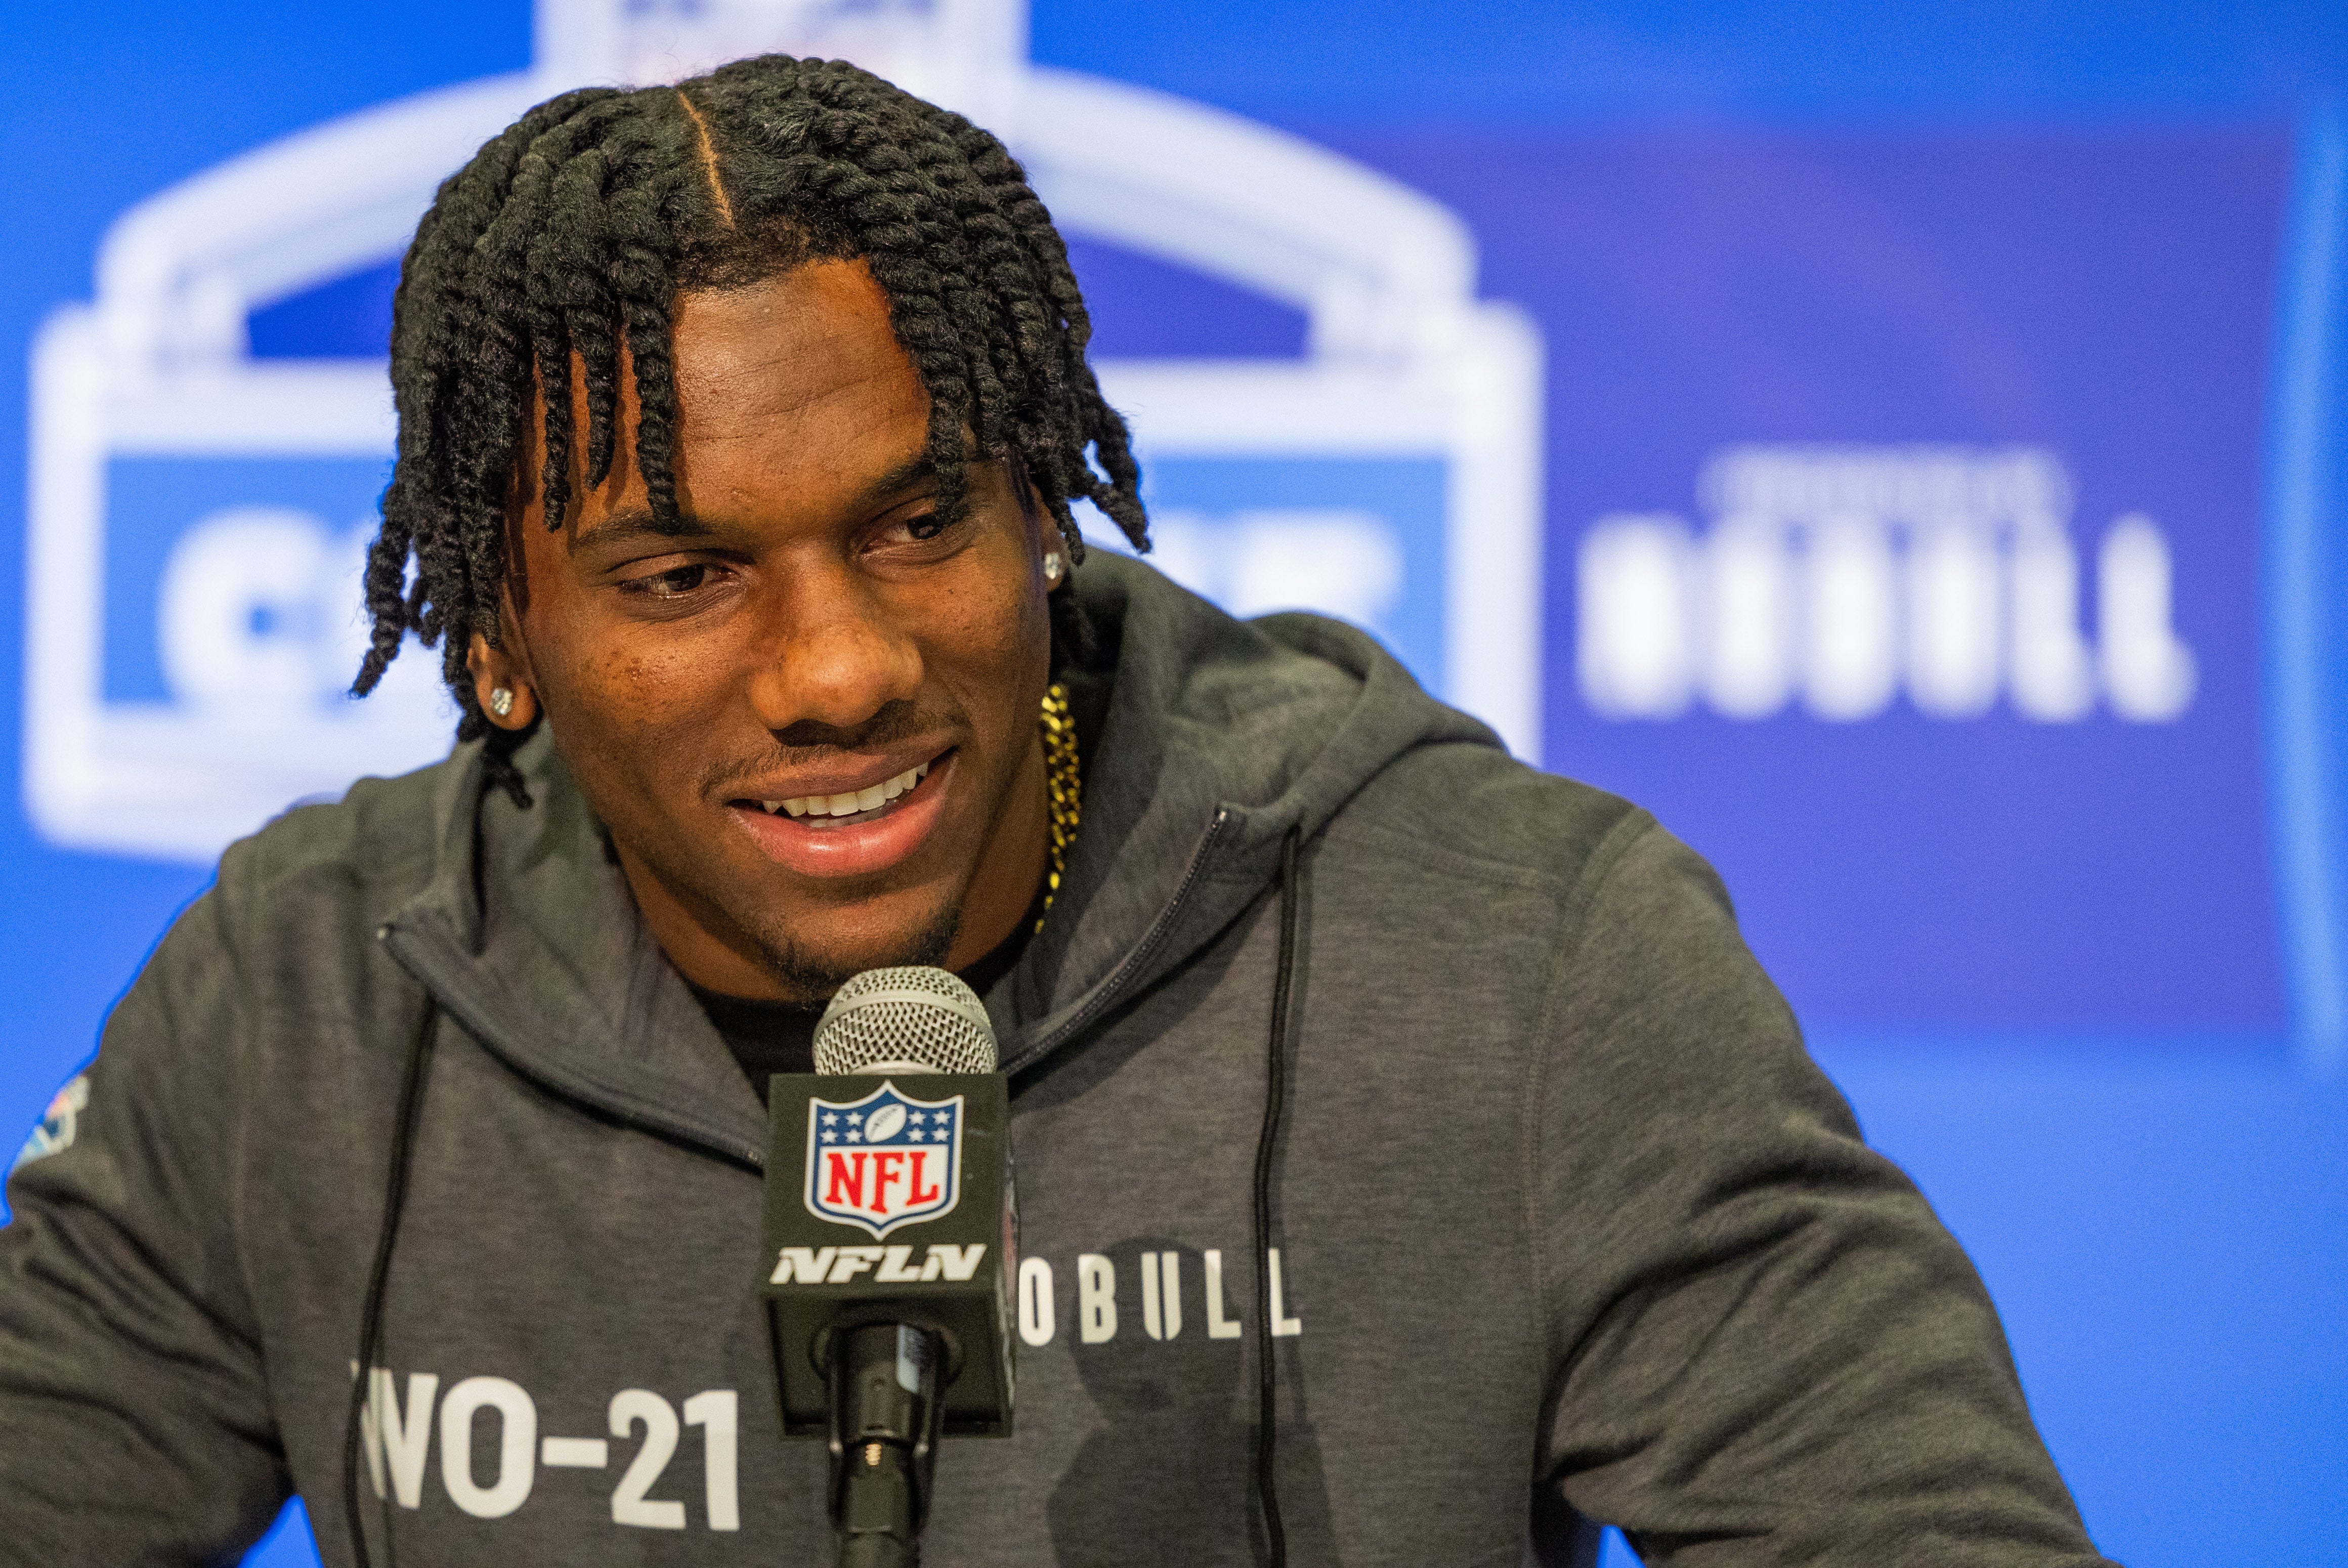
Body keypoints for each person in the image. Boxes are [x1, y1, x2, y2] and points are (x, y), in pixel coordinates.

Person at [0, 56, 2115, 1567]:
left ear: (1042, 511)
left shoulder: (1521, 959)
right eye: (683, 575)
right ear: (498, 644)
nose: (837, 668)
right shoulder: (302, 995)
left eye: (920, 520)